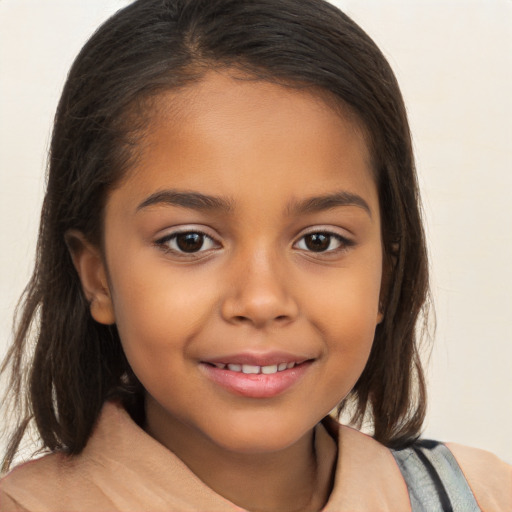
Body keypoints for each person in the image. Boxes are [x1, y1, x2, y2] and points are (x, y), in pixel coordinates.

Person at [0, 0, 510, 510]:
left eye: (319, 240)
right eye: (190, 241)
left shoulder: (480, 496)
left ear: (385, 273)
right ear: (98, 277)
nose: (262, 300)